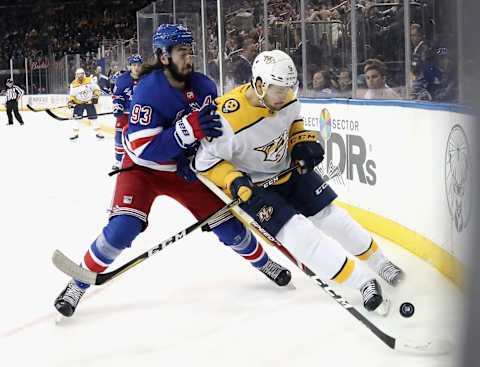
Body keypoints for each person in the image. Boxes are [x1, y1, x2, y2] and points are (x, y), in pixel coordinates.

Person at [54, 24, 291, 318]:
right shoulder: (149, 90)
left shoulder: (205, 86)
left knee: (227, 224)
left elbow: (211, 136)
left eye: (190, 51)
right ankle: (78, 283)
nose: (188, 58)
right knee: (122, 230)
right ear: (163, 56)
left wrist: (195, 153)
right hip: (143, 170)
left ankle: (263, 263)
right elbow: (140, 146)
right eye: (181, 52)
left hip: (185, 171)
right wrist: (188, 130)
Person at [194, 50, 404, 312]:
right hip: (255, 188)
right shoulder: (226, 120)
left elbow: (293, 123)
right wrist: (233, 180)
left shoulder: (287, 99)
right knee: (299, 235)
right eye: (279, 90)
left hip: (287, 171)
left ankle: (380, 262)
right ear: (259, 85)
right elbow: (203, 163)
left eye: (289, 88)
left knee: (332, 216)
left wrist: (300, 143)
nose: (286, 95)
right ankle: (362, 281)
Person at [111, 54, 143, 171]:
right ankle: (119, 160)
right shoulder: (122, 79)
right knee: (119, 135)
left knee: (141, 136)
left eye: (138, 65)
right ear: (129, 66)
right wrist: (118, 106)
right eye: (134, 65)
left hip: (141, 114)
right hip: (124, 114)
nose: (136, 68)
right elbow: (117, 95)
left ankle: (140, 160)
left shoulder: (147, 78)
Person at [68, 68, 104, 140]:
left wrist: (95, 97)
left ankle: (98, 133)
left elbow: (96, 89)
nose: (80, 76)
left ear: (84, 74)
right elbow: (72, 95)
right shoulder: (73, 84)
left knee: (94, 118)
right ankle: (75, 134)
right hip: (79, 104)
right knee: (76, 119)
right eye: (78, 74)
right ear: (76, 75)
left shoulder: (89, 80)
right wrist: (71, 101)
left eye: (81, 74)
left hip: (89, 103)